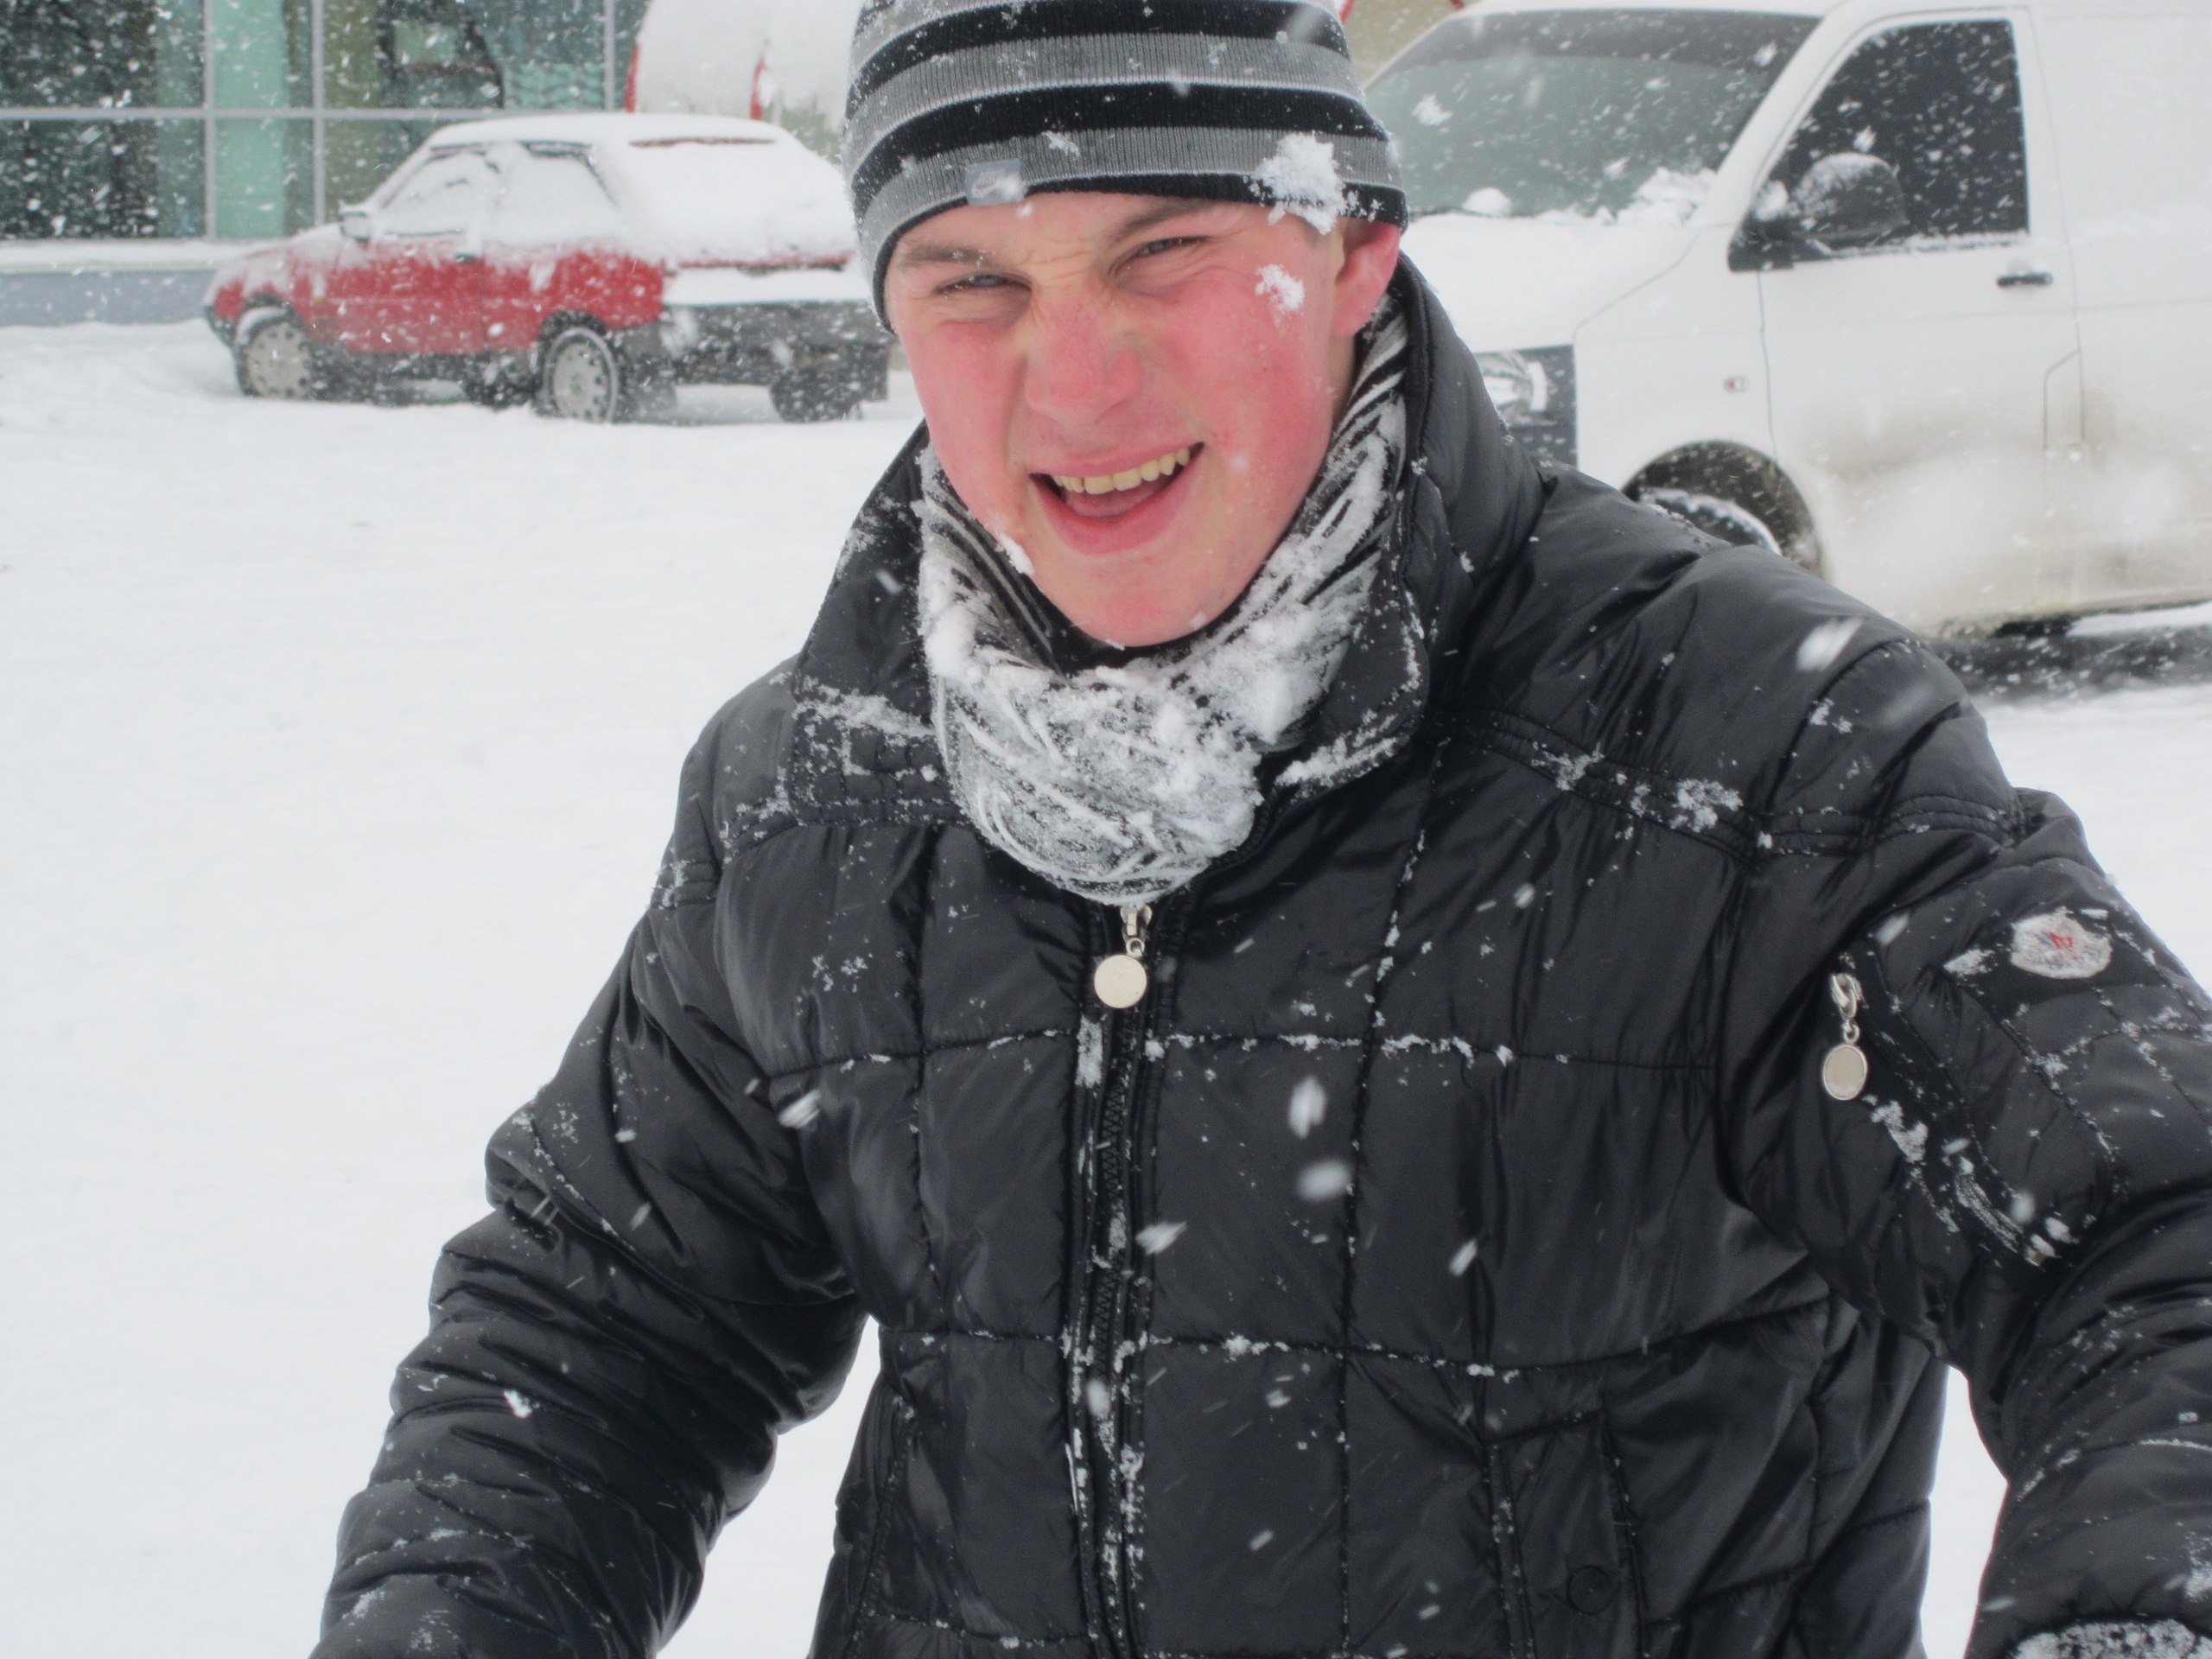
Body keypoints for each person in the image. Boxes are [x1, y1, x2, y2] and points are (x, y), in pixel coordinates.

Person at [313, 4, 2212, 1658]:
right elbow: (598, 1332)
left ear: (1354, 252)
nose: (1075, 380)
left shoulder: (1749, 747)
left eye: (1166, 253)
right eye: (971, 280)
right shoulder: (825, 781)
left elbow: (2155, 1248)